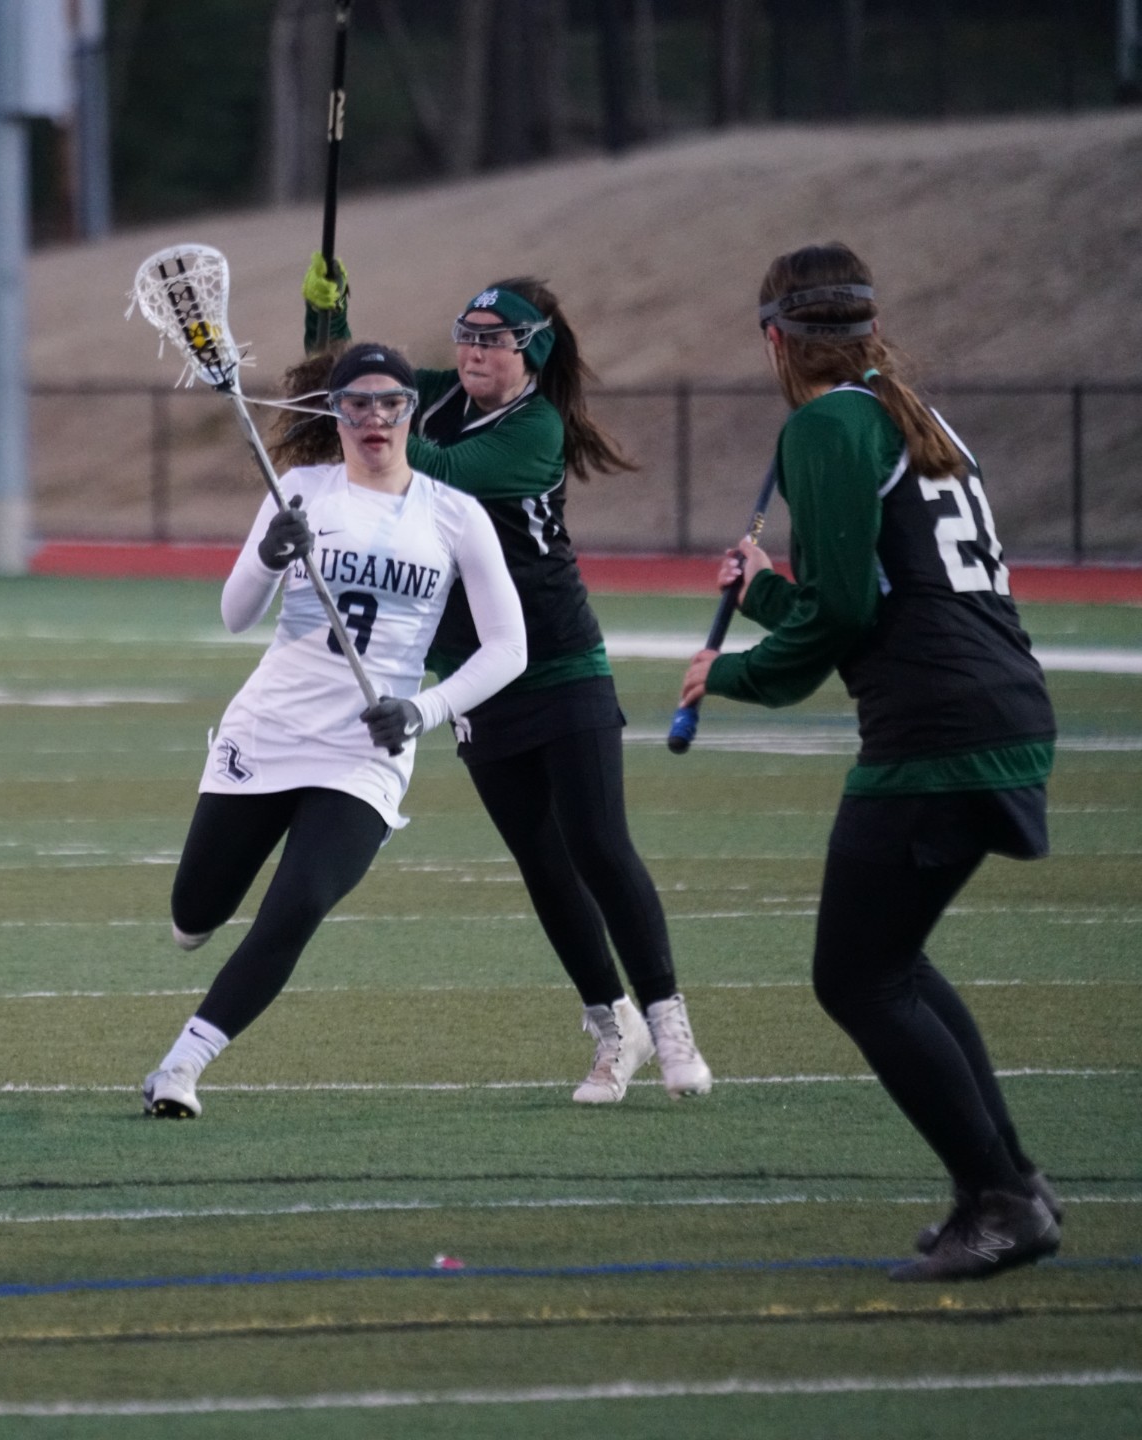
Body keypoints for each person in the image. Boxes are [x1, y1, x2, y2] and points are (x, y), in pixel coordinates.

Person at [679, 242, 1061, 1282]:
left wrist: (735, 675)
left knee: (855, 974)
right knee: (889, 964)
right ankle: (1008, 1184)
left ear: (774, 339)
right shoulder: (908, 411)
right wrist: (763, 592)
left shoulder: (827, 423)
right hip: (996, 702)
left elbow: (845, 612)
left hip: (935, 728)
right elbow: (876, 584)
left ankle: (997, 1197)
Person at [300, 259, 712, 1104]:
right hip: (472, 673)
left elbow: (425, 471)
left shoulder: (536, 431)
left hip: (559, 662)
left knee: (598, 845)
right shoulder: (435, 396)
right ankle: (612, 1025)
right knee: (541, 862)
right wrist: (326, 320)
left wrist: (370, 421)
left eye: (491, 341)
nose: (472, 352)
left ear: (531, 350)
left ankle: (670, 1023)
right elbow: (346, 390)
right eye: (463, 337)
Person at [141, 342, 527, 1120]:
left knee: (298, 904)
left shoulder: (453, 515)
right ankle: (195, 922)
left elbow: (508, 648)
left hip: (368, 749)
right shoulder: (300, 491)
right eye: (358, 403)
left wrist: (422, 710)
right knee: (194, 915)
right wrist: (267, 554)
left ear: (412, 411)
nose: (375, 418)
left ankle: (180, 1067)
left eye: (391, 403)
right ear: (335, 411)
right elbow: (233, 613)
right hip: (271, 726)